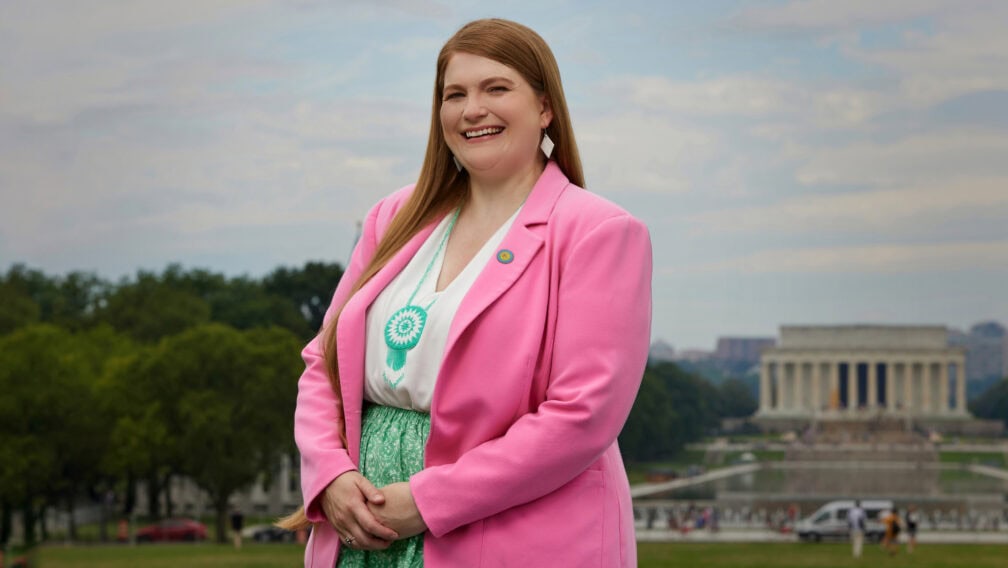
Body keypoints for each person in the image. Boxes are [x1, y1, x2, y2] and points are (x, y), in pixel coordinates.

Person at [277, 18, 652, 568]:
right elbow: (323, 363)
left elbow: (582, 416)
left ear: (545, 107)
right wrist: (330, 474)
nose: (472, 109)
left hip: (506, 535)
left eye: (496, 88)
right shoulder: (395, 216)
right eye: (455, 95)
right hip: (362, 529)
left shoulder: (598, 232)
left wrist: (428, 501)